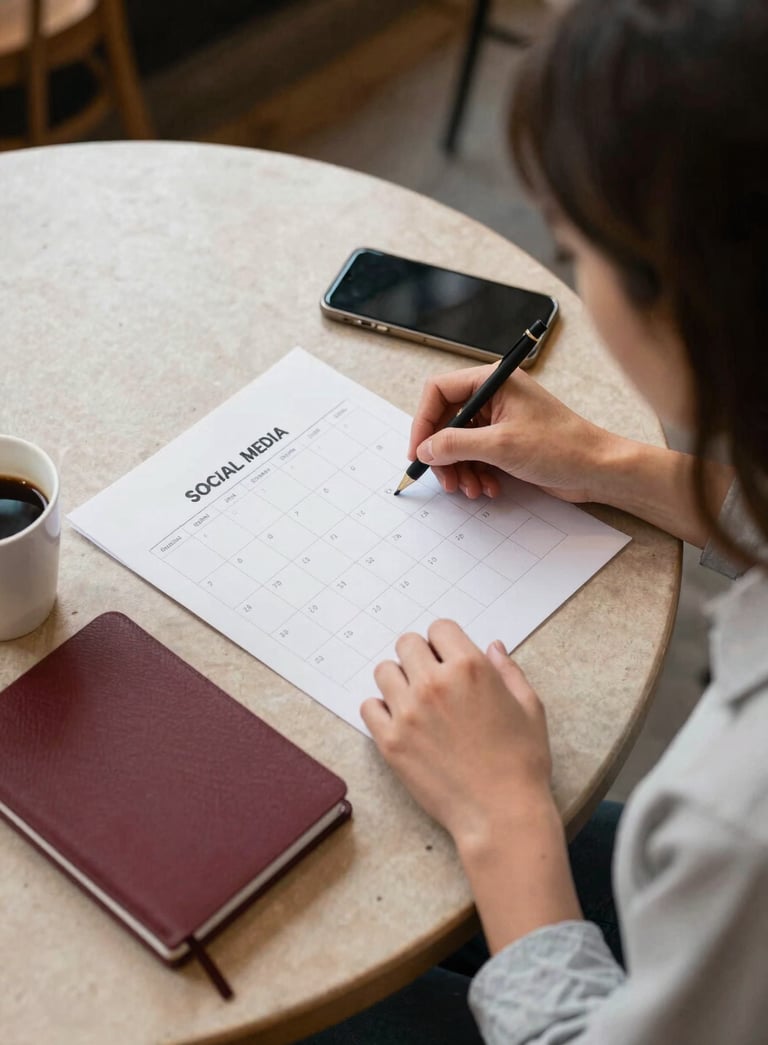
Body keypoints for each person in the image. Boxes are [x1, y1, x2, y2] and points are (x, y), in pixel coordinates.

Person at [305, 0, 768, 1041]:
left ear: (684, 298)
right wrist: (606, 461)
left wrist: (502, 815)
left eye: (575, 250)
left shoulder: (737, 817)